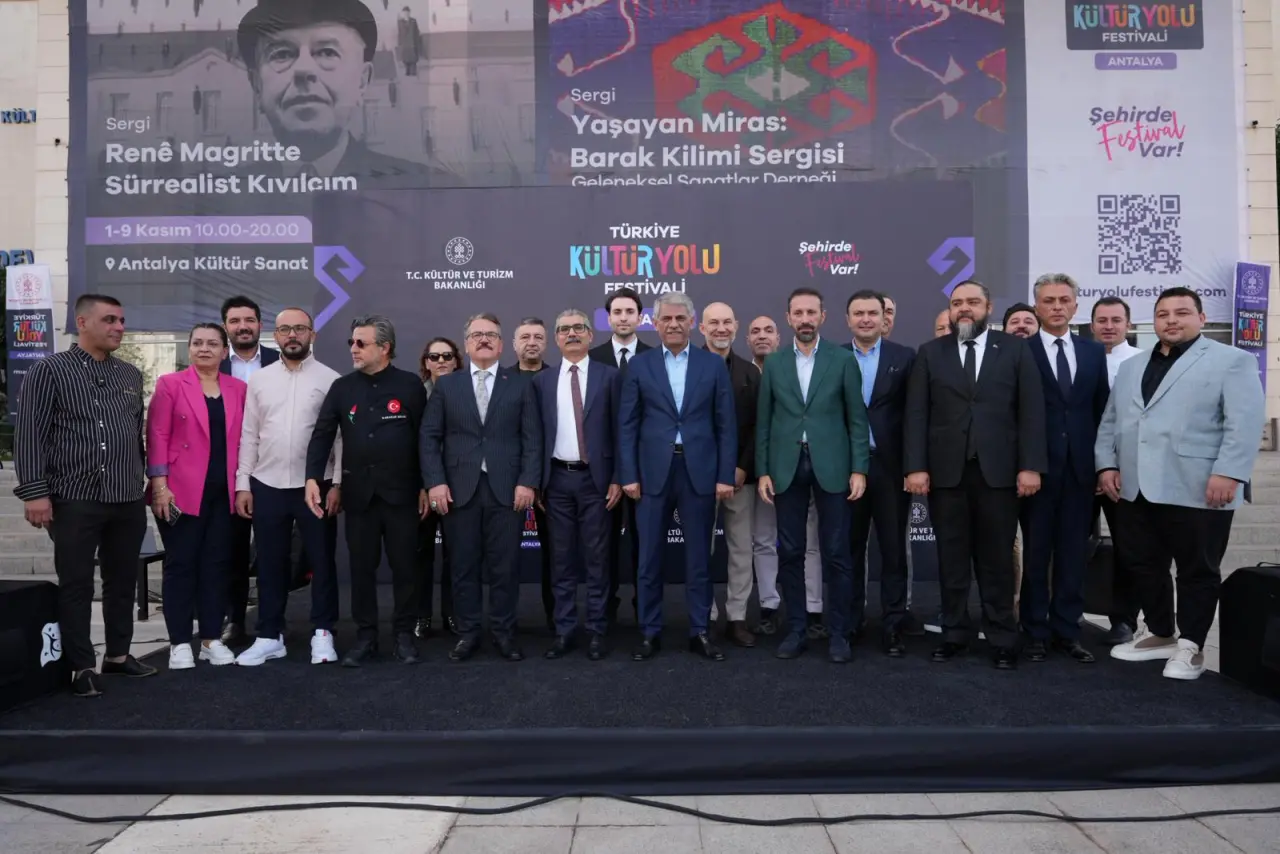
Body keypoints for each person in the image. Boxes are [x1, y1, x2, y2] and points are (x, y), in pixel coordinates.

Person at [1097, 287, 1265, 681]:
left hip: (1200, 485)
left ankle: (1191, 646)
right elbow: (1111, 421)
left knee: (1196, 569)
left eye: (1182, 312)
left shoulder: (1232, 360)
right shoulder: (1132, 366)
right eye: (1162, 314)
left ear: (1201, 319)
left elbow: (1243, 422)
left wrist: (1230, 472)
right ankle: (1159, 632)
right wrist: (1106, 465)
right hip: (1136, 487)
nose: (1171, 320)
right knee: (1143, 563)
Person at [13, 294, 155, 697]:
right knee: (76, 584)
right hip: (74, 497)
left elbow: (135, 434)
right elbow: (30, 435)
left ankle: (118, 655)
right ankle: (81, 666)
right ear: (82, 322)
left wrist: (143, 481)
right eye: (110, 320)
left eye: (122, 320)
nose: (119, 327)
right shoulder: (48, 370)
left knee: (122, 581)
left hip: (126, 496)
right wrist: (35, 493)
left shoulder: (130, 375)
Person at [905, 280, 1047, 669]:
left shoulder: (1015, 349)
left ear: (988, 307)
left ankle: (1002, 638)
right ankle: (954, 634)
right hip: (946, 476)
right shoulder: (931, 352)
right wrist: (915, 466)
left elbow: (1031, 411)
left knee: (997, 560)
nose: (964, 308)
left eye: (972, 302)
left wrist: (1030, 466)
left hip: (999, 475)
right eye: (957, 303)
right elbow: (917, 414)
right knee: (951, 560)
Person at [619, 292, 737, 661]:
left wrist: (724, 475)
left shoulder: (712, 365)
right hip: (651, 474)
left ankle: (699, 631)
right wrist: (628, 474)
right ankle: (649, 632)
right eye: (666, 319)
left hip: (699, 472)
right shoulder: (639, 365)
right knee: (648, 558)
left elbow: (726, 424)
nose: (673, 325)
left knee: (699, 558)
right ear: (655, 324)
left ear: (691, 322)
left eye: (680, 319)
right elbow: (627, 424)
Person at [307, 315, 428, 666]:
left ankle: (404, 636)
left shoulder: (410, 385)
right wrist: (313, 477)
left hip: (402, 494)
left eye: (361, 343)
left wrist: (425, 484)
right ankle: (366, 636)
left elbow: (425, 438)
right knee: (361, 570)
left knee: (406, 568)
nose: (354, 349)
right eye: (351, 342)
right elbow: (322, 434)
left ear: (385, 347)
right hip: (359, 496)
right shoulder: (342, 387)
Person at [420, 313, 542, 662]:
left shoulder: (521, 384)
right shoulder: (447, 385)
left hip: (507, 490)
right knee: (463, 567)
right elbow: (429, 438)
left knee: (506, 568)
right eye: (477, 335)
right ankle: (468, 633)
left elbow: (533, 439)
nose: (484, 339)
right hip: (459, 491)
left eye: (491, 335)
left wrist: (528, 482)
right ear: (467, 344)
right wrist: (435, 483)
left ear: (501, 345)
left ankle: (504, 633)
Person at [757, 287, 869, 663]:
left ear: (823, 316)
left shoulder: (842, 360)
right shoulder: (774, 363)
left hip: (833, 467)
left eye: (811, 312)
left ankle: (838, 634)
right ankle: (796, 630)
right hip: (785, 467)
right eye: (798, 313)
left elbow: (857, 420)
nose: (805, 319)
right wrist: (763, 471)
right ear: (788, 318)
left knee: (836, 552)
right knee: (790, 552)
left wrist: (859, 468)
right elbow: (764, 422)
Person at [236, 0, 454, 185]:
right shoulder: (224, 201)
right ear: (256, 85)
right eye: (281, 54)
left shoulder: (431, 194)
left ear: (362, 81)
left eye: (327, 52)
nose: (304, 69)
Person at [234, 308, 342, 667]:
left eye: (299, 328)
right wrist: (243, 483)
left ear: (312, 334)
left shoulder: (331, 379)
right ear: (275, 335)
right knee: (269, 562)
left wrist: (337, 483)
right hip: (267, 483)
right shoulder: (259, 380)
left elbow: (340, 439)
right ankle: (269, 635)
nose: (292, 335)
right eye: (285, 329)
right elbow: (250, 435)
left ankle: (323, 632)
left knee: (322, 561)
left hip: (317, 486)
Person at [1020, 274, 1109, 664]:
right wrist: (1026, 465)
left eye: (1063, 300)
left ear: (1075, 305)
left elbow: (1101, 412)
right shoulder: (1020, 352)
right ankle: (1034, 632)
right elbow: (1014, 414)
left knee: (1073, 556)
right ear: (1036, 306)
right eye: (1048, 300)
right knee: (1036, 556)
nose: (1057, 306)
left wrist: (1104, 465)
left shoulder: (1092, 352)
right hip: (1036, 472)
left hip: (1080, 471)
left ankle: (1068, 632)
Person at [147, 324, 248, 670]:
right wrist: (159, 485)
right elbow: (157, 435)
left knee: (217, 566)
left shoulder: (239, 389)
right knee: (181, 566)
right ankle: (178, 643)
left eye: (213, 344)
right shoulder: (170, 384)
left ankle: (210, 639)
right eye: (198, 343)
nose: (205, 348)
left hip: (225, 493)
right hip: (180, 492)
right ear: (189, 348)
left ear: (224, 351)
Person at [532, 310, 622, 659]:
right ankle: (564, 630)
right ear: (556, 338)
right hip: (556, 481)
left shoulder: (610, 377)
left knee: (598, 560)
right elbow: (535, 437)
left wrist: (618, 477)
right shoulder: (542, 381)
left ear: (589, 335)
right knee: (561, 560)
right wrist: (536, 482)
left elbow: (622, 431)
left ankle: (597, 630)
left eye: (578, 328)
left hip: (596, 481)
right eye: (564, 329)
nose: (571, 334)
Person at [842, 290, 915, 656]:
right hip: (846, 469)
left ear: (885, 317)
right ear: (848, 319)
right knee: (849, 549)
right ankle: (851, 621)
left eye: (873, 312)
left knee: (893, 550)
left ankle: (893, 624)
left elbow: (915, 415)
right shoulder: (834, 357)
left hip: (891, 468)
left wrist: (914, 466)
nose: (866, 319)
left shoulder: (905, 357)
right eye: (859, 313)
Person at [746, 315, 826, 637]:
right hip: (761, 472)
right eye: (755, 331)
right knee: (763, 538)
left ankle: (812, 607)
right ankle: (769, 605)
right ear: (747, 339)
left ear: (780, 337)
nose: (762, 336)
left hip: (804, 466)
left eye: (769, 330)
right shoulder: (742, 372)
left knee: (809, 541)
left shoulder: (796, 367)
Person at [218, 295, 281, 646]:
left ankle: (274, 621)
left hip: (274, 469)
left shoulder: (280, 361)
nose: (242, 327)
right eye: (235, 321)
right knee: (233, 552)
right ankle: (235, 620)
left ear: (260, 324)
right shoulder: (213, 364)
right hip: (228, 473)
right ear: (225, 326)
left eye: (249, 320)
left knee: (273, 552)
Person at [589, 287, 652, 622]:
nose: (624, 318)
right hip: (602, 467)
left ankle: (645, 606)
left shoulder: (656, 357)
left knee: (645, 540)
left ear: (641, 317)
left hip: (646, 465)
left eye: (630, 312)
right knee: (604, 542)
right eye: (617, 312)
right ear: (608, 318)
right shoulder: (591, 358)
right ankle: (605, 607)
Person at [700, 302, 760, 648]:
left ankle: (737, 616)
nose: (721, 328)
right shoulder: (687, 366)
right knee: (701, 550)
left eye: (726, 322)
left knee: (741, 549)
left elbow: (758, 427)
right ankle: (705, 616)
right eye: (714, 323)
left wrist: (742, 467)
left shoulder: (751, 373)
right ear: (702, 328)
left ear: (736, 326)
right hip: (699, 478)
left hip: (740, 477)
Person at [1090, 296, 1146, 644]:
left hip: (1123, 475)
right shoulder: (1080, 359)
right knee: (1071, 547)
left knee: (1129, 548)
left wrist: (1112, 466)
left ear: (1128, 324)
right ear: (1092, 325)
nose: (1108, 326)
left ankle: (1124, 619)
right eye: (1102, 320)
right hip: (1080, 471)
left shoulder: (1142, 363)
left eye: (1116, 320)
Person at [512, 317, 556, 633]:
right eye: (525, 337)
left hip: (550, 483)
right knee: (502, 555)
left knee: (554, 555)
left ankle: (556, 620)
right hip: (504, 480)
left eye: (538, 337)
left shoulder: (557, 378)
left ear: (546, 343)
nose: (531, 342)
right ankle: (504, 623)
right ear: (514, 344)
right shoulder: (500, 379)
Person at [415, 336, 461, 638]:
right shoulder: (415, 395)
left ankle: (452, 614)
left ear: (456, 361)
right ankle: (421, 616)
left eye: (447, 356)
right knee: (420, 555)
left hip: (459, 485)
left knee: (456, 555)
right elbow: (411, 444)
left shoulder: (467, 392)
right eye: (435, 357)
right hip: (422, 488)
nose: (441, 361)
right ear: (426, 363)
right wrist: (423, 485)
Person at [397, 5, 421, 76]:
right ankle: (407, 75)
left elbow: (416, 33)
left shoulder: (413, 21)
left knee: (413, 64)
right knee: (406, 64)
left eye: (407, 12)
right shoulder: (400, 22)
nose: (406, 14)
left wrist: (417, 44)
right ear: (403, 13)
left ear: (409, 13)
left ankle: (413, 75)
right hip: (405, 46)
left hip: (412, 46)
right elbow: (399, 34)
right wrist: (400, 44)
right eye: (404, 12)